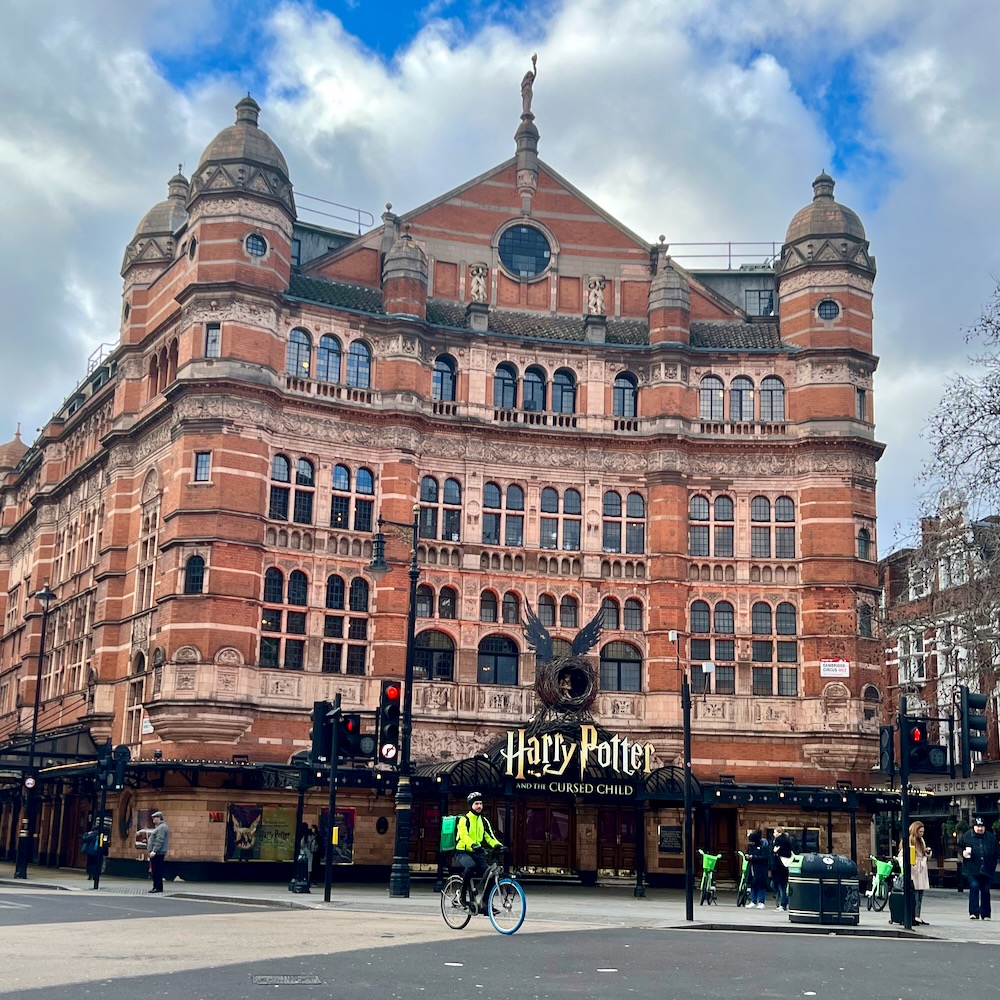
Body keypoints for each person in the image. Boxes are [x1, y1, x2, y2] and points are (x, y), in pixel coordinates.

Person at [454, 791, 503, 912]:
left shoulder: (484, 821)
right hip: (463, 851)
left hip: (478, 852)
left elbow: (490, 837)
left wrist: (498, 845)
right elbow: (464, 836)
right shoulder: (464, 820)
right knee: (470, 866)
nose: (479, 806)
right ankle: (462, 897)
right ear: (471, 805)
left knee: (490, 875)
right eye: (476, 803)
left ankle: (485, 904)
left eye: (481, 803)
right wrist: (473, 844)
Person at [961, 816, 999, 920]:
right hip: (972, 868)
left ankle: (985, 914)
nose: (980, 828)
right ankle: (974, 912)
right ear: (974, 827)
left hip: (987, 869)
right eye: (978, 826)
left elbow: (996, 853)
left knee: (986, 891)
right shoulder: (967, 836)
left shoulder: (991, 838)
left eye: (982, 826)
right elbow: (959, 847)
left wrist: (993, 866)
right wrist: (962, 853)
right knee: (974, 888)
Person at [898, 820, 931, 925]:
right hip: (914, 870)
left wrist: (927, 852)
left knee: (920, 895)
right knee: (915, 895)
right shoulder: (909, 840)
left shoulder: (921, 840)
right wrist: (907, 866)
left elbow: (923, 854)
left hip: (921, 868)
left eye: (923, 832)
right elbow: (902, 855)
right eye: (920, 831)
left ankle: (917, 916)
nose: (922, 834)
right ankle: (913, 916)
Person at [146, 810, 170, 893]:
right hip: (157, 853)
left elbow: (160, 840)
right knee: (155, 870)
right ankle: (155, 886)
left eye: (155, 817)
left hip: (158, 853)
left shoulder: (162, 827)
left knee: (157, 870)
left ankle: (158, 887)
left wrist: (154, 850)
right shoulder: (159, 827)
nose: (153, 819)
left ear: (159, 818)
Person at [771, 826, 793, 911]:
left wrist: (776, 852)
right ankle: (783, 902)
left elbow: (775, 852)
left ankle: (783, 904)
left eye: (775, 832)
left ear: (779, 833)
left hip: (779, 867)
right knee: (778, 885)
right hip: (782, 866)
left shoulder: (779, 840)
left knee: (780, 886)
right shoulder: (786, 840)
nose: (774, 834)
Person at [747, 830, 770, 909]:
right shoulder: (750, 846)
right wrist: (748, 857)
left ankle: (761, 901)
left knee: (761, 884)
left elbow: (765, 857)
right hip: (753, 867)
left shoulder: (763, 846)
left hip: (761, 868)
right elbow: (748, 854)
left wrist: (754, 857)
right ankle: (753, 900)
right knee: (753, 884)